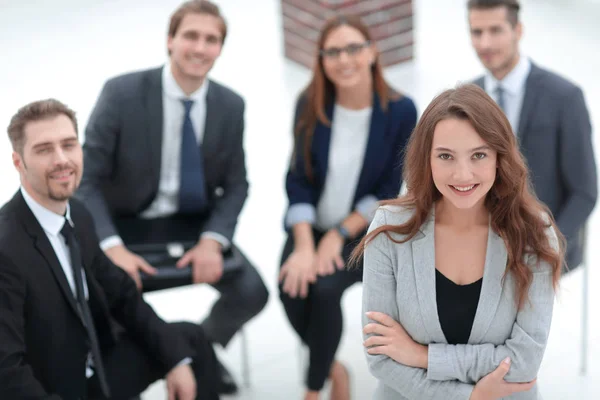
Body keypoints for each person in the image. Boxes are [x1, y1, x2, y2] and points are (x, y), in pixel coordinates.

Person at [75, 0, 269, 393]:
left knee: (251, 292)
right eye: (191, 36)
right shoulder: (121, 93)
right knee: (102, 303)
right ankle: (153, 359)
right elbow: (87, 179)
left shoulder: (230, 105)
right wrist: (110, 247)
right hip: (123, 226)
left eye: (211, 39)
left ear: (220, 48)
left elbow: (237, 184)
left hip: (190, 222)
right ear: (170, 40)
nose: (200, 48)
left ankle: (198, 348)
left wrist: (213, 240)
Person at [0, 99, 220, 400]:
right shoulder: (5, 248)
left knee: (190, 343)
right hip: (52, 387)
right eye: (44, 149)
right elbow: (6, 369)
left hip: (97, 369)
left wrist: (174, 360)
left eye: (69, 144)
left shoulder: (78, 214)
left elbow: (123, 296)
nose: (62, 159)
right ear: (18, 162)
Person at [356, 84, 564, 399]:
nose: (462, 174)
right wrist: (469, 397)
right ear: (426, 159)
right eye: (445, 156)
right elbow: (381, 357)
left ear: (499, 156)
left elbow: (524, 362)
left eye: (478, 155)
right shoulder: (390, 228)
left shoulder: (534, 233)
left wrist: (422, 355)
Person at [279, 14, 417, 400]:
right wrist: (306, 245)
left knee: (322, 291)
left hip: (364, 230)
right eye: (333, 51)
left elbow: (390, 189)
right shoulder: (310, 104)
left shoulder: (402, 111)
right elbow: (298, 179)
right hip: (310, 226)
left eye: (354, 48)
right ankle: (333, 370)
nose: (344, 59)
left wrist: (337, 236)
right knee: (290, 283)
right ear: (321, 60)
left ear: (372, 52)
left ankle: (312, 390)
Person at [468, 0, 597, 271]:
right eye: (477, 32)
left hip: (544, 253)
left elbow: (584, 191)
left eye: (495, 30)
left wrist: (548, 246)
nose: (485, 44)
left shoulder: (564, 97)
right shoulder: (467, 98)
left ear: (518, 30)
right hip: (479, 254)